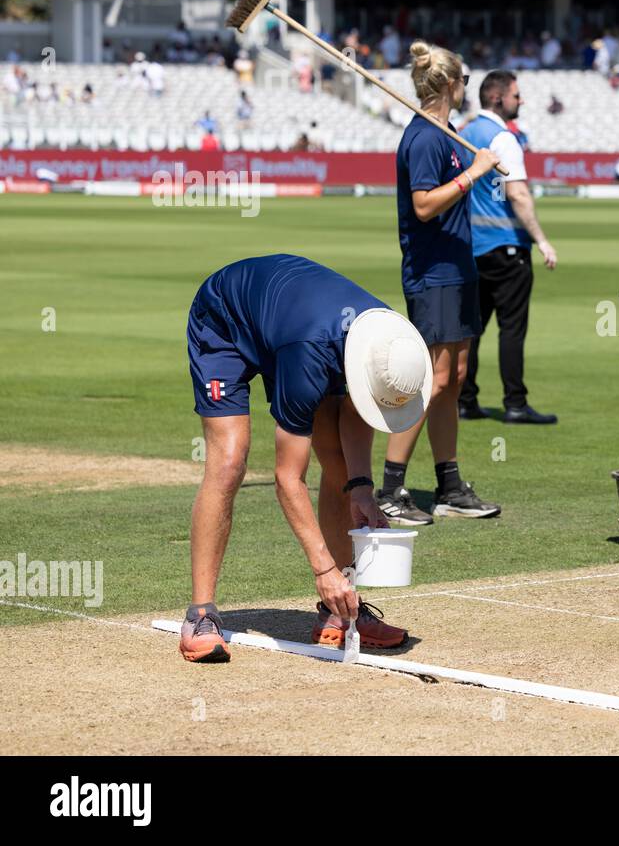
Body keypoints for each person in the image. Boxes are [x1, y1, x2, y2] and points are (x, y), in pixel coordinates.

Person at [180, 254, 432, 662]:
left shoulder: (386, 340)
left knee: (341, 473)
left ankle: (339, 610)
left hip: (294, 325)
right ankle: (200, 615)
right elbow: (287, 479)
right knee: (229, 462)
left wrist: (362, 490)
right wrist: (323, 569)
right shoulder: (311, 357)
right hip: (224, 317)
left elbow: (357, 412)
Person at [377, 41, 503, 526]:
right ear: (452, 84)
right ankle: (391, 487)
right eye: (465, 80)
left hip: (457, 268)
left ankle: (449, 485)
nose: (466, 87)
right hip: (433, 273)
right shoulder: (426, 137)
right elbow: (426, 205)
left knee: (454, 379)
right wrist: (473, 174)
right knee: (431, 381)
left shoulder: (447, 131)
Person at [454, 70, 559, 426]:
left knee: (473, 329)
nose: (522, 101)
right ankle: (515, 403)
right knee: (512, 328)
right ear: (498, 98)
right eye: (517, 95)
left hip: (472, 249)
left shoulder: (466, 134)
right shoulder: (504, 138)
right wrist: (542, 240)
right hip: (507, 247)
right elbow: (517, 193)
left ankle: (465, 400)